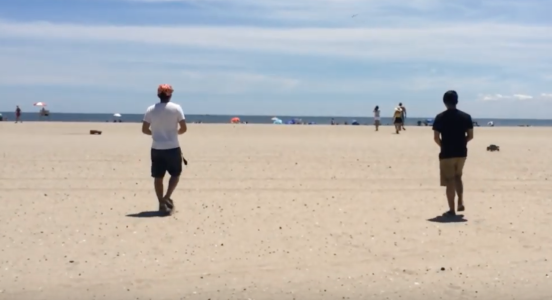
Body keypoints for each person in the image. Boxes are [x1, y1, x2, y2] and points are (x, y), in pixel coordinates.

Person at [142, 84, 187, 215]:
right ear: (170, 95)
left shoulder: (150, 109)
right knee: (175, 174)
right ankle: (167, 197)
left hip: (157, 148)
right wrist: (174, 134)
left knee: (158, 176)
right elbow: (184, 128)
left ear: (158, 95)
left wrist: (156, 134)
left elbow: (145, 129)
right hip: (172, 147)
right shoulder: (177, 108)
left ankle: (161, 201)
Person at [432, 90, 474, 216]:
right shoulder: (466, 117)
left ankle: (452, 210)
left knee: (450, 180)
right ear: (457, 101)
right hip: (461, 152)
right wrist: (462, 143)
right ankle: (460, 201)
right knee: (458, 177)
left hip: (447, 153)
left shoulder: (440, 117)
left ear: (444, 102)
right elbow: (470, 136)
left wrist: (443, 145)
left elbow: (436, 137)